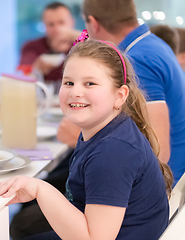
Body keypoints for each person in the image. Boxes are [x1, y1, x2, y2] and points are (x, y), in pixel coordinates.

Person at [0, 38, 172, 240]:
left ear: (120, 96)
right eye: (68, 82)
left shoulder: (113, 151)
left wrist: (40, 189)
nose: (75, 92)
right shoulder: (106, 130)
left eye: (90, 83)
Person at [57, 0, 185, 184]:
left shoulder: (137, 60)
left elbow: (159, 151)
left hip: (159, 187)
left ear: (93, 23)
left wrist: (78, 138)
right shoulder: (150, 44)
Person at [19, 2, 78, 92]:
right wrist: (36, 71)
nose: (57, 29)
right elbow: (21, 82)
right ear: (44, 25)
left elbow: (101, 45)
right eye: (51, 24)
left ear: (72, 22)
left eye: (61, 23)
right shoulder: (32, 47)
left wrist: (75, 35)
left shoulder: (81, 46)